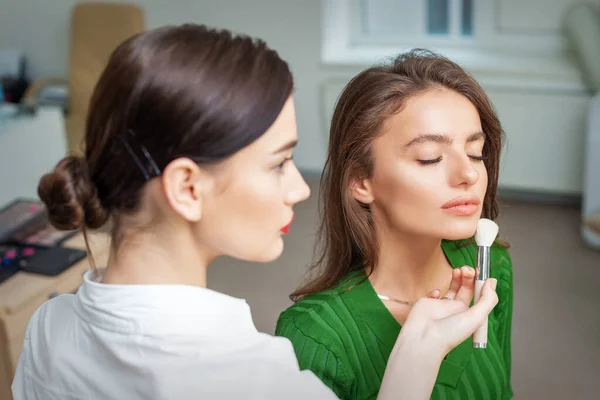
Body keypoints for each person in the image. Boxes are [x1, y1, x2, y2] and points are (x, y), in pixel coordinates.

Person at [11, 27, 499, 400]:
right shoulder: (261, 380)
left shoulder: (48, 329)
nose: (299, 188)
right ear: (186, 186)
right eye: (279, 163)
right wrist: (415, 356)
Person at [276, 50, 514, 400]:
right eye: (429, 158)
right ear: (361, 181)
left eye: (477, 153)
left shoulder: (491, 267)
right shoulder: (315, 335)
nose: (469, 174)